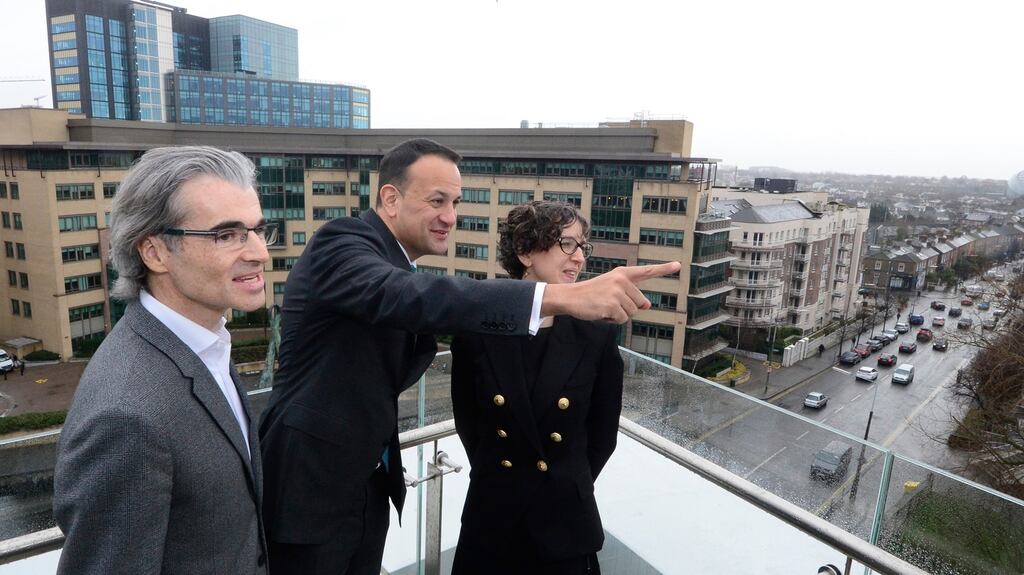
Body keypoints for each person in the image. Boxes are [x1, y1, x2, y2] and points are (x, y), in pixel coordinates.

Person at [258, 138, 678, 575]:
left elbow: (599, 437)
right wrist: (560, 297)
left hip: (365, 487)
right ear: (390, 198)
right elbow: (418, 301)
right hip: (310, 491)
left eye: (456, 202)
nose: (450, 216)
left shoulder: (396, 265)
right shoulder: (342, 242)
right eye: (437, 200)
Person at [53, 146, 271, 574]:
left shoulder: (202, 342)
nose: (260, 252)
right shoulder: (127, 415)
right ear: (154, 253)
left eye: (259, 229)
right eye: (227, 235)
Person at [450, 201, 623, 574]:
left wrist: (560, 481)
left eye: (582, 247)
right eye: (567, 244)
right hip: (493, 518)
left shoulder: (597, 333)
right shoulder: (479, 328)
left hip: (564, 523)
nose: (579, 258)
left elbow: (602, 436)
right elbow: (469, 422)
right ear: (525, 252)